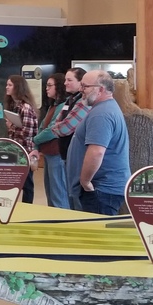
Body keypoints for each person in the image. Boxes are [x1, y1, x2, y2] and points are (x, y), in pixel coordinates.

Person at [67, 70, 130, 215]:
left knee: (96, 234)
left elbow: (96, 152)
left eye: (85, 86)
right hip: (102, 191)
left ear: (100, 89)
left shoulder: (101, 114)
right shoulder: (104, 108)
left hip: (100, 192)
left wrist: (85, 182)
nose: (81, 90)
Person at [38, 67, 91, 210]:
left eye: (69, 80)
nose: (66, 83)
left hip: (69, 155)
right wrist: (58, 127)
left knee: (62, 196)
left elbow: (63, 128)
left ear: (81, 82)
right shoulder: (69, 101)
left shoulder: (84, 102)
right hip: (63, 153)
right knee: (59, 194)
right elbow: (56, 125)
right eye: (65, 80)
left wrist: (55, 129)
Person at [30, 74, 70, 209]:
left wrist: (35, 140)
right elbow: (42, 127)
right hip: (48, 154)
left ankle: (63, 224)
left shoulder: (64, 106)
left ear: (58, 87)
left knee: (58, 193)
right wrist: (36, 144)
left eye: (49, 85)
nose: (46, 88)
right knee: (51, 192)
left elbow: (51, 130)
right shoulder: (53, 106)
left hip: (57, 154)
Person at [4, 74, 38, 203]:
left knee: (27, 184)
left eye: (10, 85)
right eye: (7, 84)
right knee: (18, 181)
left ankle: (27, 207)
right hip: (16, 150)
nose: (7, 87)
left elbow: (27, 133)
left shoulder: (26, 108)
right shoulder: (15, 106)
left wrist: (11, 126)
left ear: (18, 87)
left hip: (25, 151)